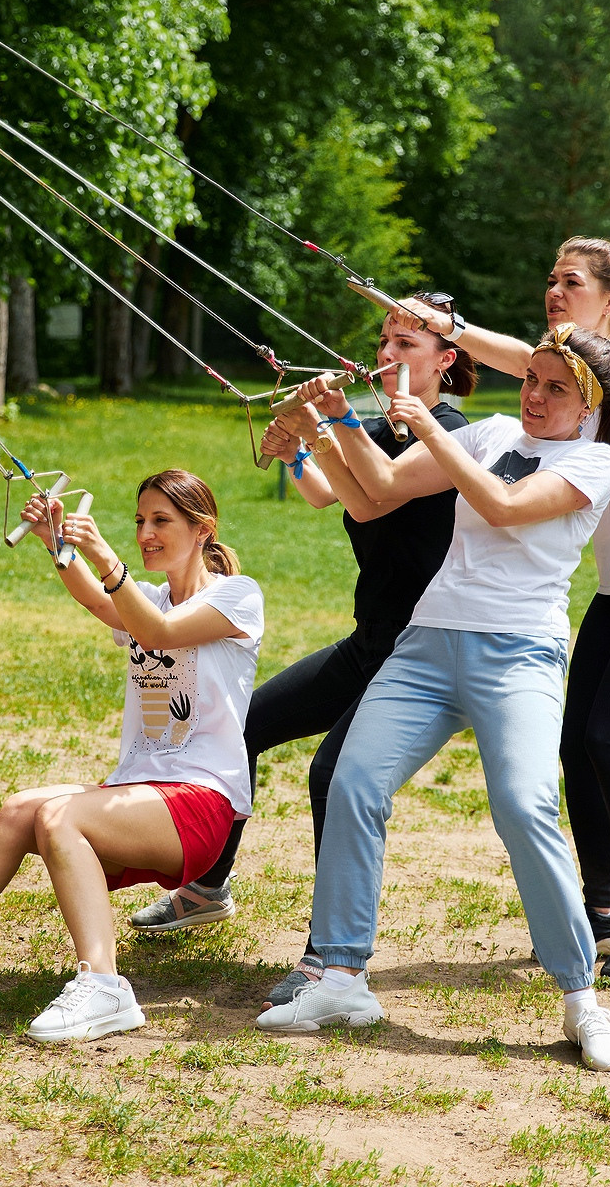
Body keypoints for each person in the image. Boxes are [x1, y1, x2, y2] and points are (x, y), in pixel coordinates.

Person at [256, 325, 610, 1073]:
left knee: (524, 805)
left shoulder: (595, 460)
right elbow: (375, 493)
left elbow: (502, 504)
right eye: (531, 379)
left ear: (589, 405)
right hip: (428, 643)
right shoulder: (493, 431)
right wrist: (335, 421)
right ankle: (340, 978)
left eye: (556, 388)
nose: (535, 396)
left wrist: (429, 427)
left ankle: (581, 1000)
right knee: (353, 781)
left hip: (519, 653)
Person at [126, 299, 479, 1011]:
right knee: (247, 725)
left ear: (445, 359)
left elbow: (377, 498)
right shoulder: (375, 429)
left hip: (421, 652)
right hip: (370, 640)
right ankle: (207, 887)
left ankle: (328, 957)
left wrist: (326, 424)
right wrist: (295, 449)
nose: (388, 352)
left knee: (333, 773)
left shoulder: (456, 436)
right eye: (383, 339)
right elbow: (328, 494)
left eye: (406, 343)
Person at [0, 470, 263, 1043]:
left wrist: (105, 557)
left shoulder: (238, 597)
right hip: (138, 793)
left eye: (161, 521)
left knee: (59, 816)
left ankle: (105, 986)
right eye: (140, 520)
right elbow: (98, 600)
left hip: (201, 803)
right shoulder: (151, 598)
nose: (145, 533)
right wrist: (57, 542)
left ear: (202, 530)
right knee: (18, 810)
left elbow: (159, 633)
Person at [416, 238, 610, 983]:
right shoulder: (565, 380)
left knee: (608, 739)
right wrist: (443, 328)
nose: (554, 291)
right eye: (550, 278)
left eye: (572, 282)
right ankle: (602, 912)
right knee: (575, 744)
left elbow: (524, 357)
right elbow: (531, 363)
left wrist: (448, 328)